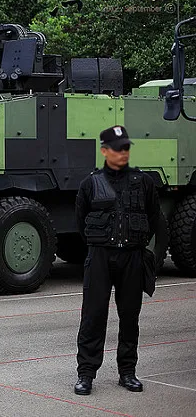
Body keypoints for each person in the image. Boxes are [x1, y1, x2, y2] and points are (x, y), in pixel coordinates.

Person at [73, 125, 161, 396]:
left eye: (126, 147)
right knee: (93, 316)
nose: (123, 153)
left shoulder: (143, 181)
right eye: (117, 148)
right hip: (100, 257)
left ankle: (127, 372)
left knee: (130, 317)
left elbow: (154, 217)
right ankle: (86, 375)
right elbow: (81, 220)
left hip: (132, 257)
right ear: (104, 151)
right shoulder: (91, 183)